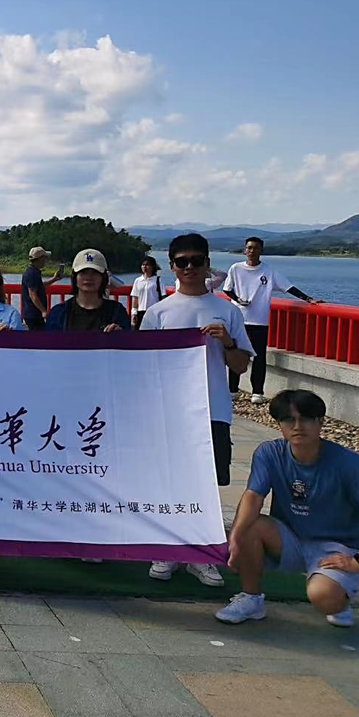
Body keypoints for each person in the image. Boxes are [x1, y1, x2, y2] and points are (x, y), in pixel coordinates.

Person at [141, 233, 254, 587]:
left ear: (207, 264)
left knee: (206, 483)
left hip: (212, 408)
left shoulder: (227, 311)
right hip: (169, 412)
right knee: (169, 479)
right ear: (172, 266)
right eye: (182, 262)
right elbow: (143, 367)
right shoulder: (158, 312)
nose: (189, 267)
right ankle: (168, 549)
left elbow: (240, 366)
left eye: (196, 261)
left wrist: (228, 342)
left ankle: (200, 554)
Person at [216, 390, 359, 628]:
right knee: (247, 526)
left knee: (324, 596)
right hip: (288, 539)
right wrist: (236, 536)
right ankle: (251, 599)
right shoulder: (270, 453)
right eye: (288, 420)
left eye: (305, 419)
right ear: (279, 424)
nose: (297, 426)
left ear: (321, 421)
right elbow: (253, 496)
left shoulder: (349, 463)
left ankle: (340, 599)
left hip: (335, 546)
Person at [224, 237, 322, 405]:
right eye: (249, 248)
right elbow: (227, 289)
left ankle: (257, 392)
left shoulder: (268, 271)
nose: (252, 251)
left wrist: (307, 298)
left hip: (260, 320)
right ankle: (233, 389)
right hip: (239, 319)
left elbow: (288, 287)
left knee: (259, 357)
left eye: (255, 248)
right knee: (237, 354)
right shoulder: (236, 268)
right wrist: (238, 299)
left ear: (261, 250)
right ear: (245, 250)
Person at [45, 249, 131, 332]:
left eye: (95, 272)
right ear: (75, 277)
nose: (89, 277)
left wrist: (120, 335)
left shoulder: (117, 312)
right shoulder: (59, 313)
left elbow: (129, 339)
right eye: (83, 272)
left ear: (103, 277)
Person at [19, 246, 65, 331]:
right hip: (33, 314)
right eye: (45, 258)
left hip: (33, 314)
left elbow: (39, 286)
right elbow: (33, 294)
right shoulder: (32, 273)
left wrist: (54, 279)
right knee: (38, 336)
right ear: (40, 259)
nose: (46, 260)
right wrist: (43, 311)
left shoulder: (33, 272)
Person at [130, 256, 164, 329]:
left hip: (154, 311)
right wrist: (134, 313)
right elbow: (135, 297)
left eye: (147, 265)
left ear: (153, 267)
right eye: (143, 265)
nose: (145, 267)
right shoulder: (138, 281)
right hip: (141, 311)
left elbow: (163, 296)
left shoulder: (158, 280)